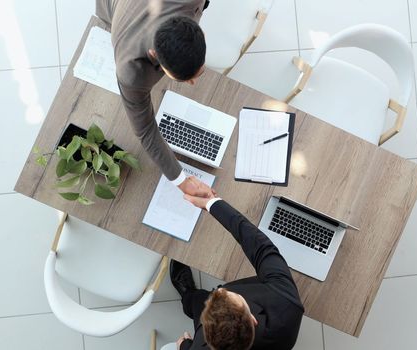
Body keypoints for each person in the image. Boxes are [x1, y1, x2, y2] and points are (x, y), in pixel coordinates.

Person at [95, 0, 213, 197]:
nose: (193, 80)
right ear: (154, 56)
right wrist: (182, 182)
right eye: (188, 78)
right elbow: (145, 130)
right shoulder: (131, 72)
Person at [170, 189, 305, 349]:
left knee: (198, 300)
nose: (219, 291)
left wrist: (184, 345)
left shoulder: (200, 345)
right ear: (253, 319)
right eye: (227, 295)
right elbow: (262, 248)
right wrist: (211, 203)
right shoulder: (285, 301)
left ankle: (188, 297)